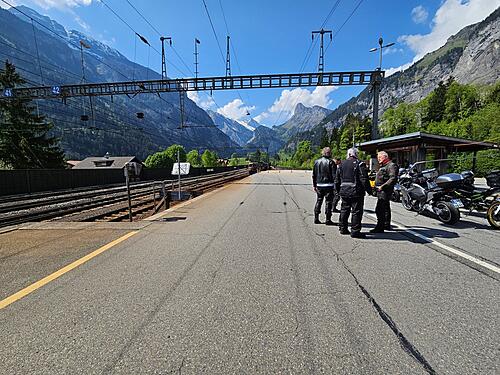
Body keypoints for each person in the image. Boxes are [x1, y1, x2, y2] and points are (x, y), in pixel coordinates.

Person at [335, 147, 372, 238]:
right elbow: (364, 179)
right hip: (356, 192)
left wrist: (338, 191)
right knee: (356, 212)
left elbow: (337, 180)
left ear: (348, 154)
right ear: (356, 154)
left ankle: (343, 228)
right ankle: (355, 231)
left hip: (344, 190)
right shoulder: (360, 164)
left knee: (344, 210)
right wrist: (369, 191)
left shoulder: (341, 164)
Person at [370, 151, 398, 233]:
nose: (378, 159)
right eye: (378, 157)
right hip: (381, 190)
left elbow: (393, 178)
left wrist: (382, 187)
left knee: (380, 209)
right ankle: (386, 224)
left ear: (385, 157)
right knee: (385, 207)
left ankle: (380, 227)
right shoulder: (385, 166)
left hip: (384, 191)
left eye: (380, 157)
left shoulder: (391, 165)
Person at [312, 147, 337, 225]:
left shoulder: (316, 162)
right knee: (328, 202)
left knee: (319, 200)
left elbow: (314, 175)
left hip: (319, 184)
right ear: (329, 153)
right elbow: (334, 176)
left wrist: (314, 185)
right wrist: (336, 186)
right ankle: (328, 219)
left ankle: (316, 218)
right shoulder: (331, 162)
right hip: (329, 185)